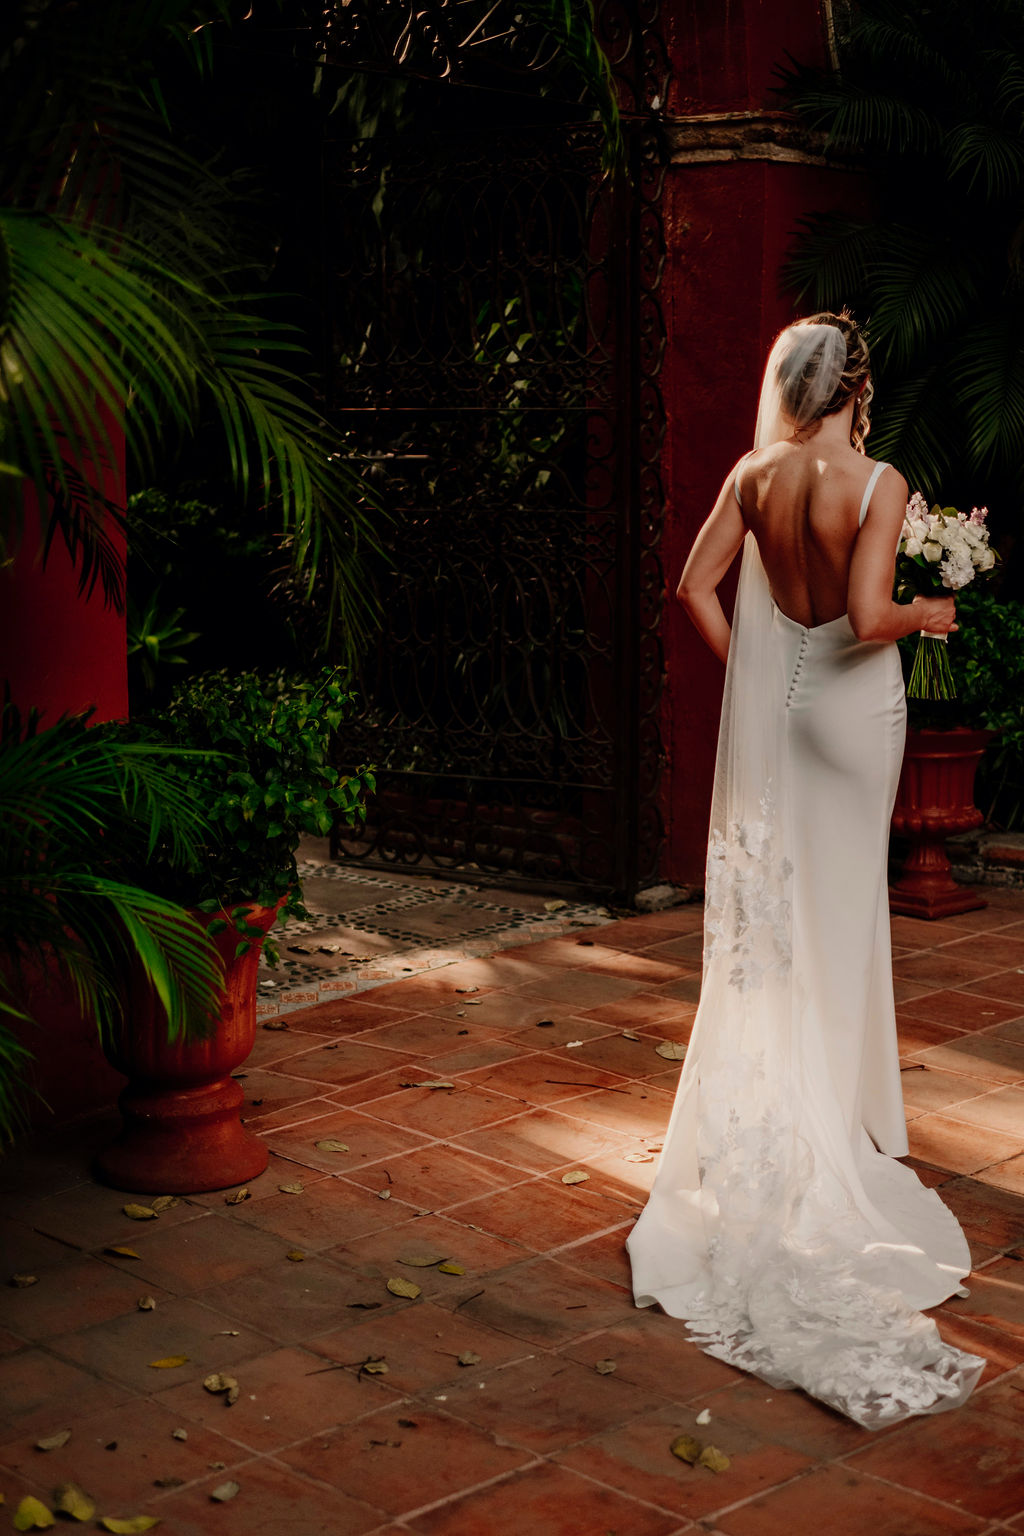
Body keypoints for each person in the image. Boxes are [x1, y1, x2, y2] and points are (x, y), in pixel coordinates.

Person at [626, 313, 985, 1429]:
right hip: (854, 712)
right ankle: (838, 1130)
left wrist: (754, 682)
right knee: (840, 923)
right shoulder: (873, 481)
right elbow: (869, 615)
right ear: (855, 389)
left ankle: (799, 1119)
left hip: (783, 717)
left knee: (776, 928)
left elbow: (691, 592)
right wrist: (931, 613)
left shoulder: (753, 472)